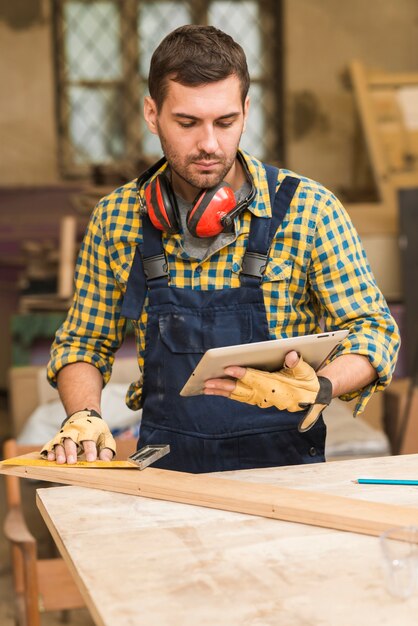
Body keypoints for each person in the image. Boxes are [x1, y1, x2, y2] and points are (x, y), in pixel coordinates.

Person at [41, 24, 400, 473]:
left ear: (246, 111)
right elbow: (82, 343)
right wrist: (83, 414)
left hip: (284, 478)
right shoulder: (118, 218)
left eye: (225, 122)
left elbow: (374, 330)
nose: (209, 144)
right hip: (168, 477)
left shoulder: (310, 209)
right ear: (152, 114)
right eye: (187, 123)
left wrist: (319, 387)